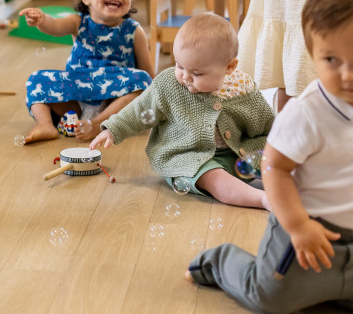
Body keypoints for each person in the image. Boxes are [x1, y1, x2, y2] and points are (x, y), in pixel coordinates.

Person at [186, 0, 353, 312]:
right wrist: (297, 224)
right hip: (306, 228)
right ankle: (220, 262)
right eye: (331, 59)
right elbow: (274, 167)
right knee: (271, 299)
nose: (347, 75)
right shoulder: (308, 112)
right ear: (312, 52)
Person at [91, 13, 273, 210]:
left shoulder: (241, 87)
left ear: (229, 67)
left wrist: (281, 147)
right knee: (214, 179)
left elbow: (265, 120)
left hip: (237, 151)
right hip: (188, 157)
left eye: (197, 73)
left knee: (279, 160)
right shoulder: (169, 84)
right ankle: (262, 199)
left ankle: (296, 188)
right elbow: (139, 109)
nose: (185, 76)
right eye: (179, 65)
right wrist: (113, 129)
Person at [21, 0, 153, 144]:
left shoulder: (134, 31)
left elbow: (147, 73)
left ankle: (99, 123)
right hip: (76, 96)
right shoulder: (78, 22)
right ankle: (45, 124)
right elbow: (55, 26)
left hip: (113, 102)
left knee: (143, 81)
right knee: (36, 79)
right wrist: (42, 20)